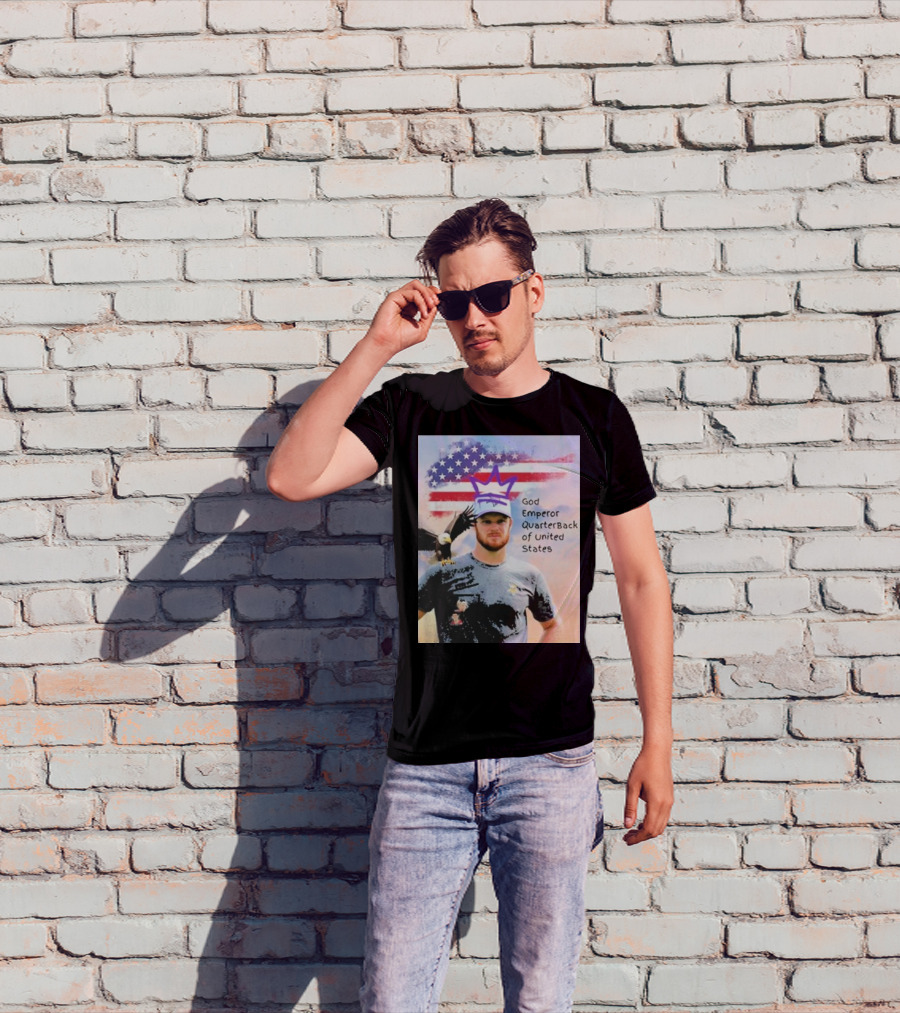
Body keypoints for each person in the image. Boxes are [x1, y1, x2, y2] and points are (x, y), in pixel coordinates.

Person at [266, 199, 674, 1013]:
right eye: (455, 302)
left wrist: (657, 740)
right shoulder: (412, 407)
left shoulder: (594, 417)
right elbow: (291, 476)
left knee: (540, 1000)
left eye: (491, 295)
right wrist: (377, 345)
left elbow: (640, 579)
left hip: (551, 765)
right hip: (426, 771)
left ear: (534, 291)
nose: (474, 318)